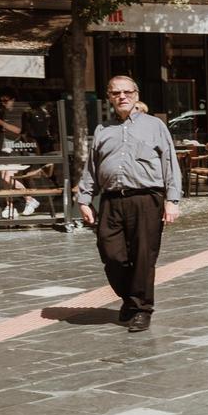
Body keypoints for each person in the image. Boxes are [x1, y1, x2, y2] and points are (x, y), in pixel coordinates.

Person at [77, 76, 183, 332]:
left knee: (143, 257)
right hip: (112, 200)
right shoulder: (103, 129)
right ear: (109, 97)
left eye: (126, 92)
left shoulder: (155, 126)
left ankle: (141, 308)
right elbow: (92, 166)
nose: (122, 97)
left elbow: (170, 163)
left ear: (136, 94)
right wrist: (84, 198)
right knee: (112, 255)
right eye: (116, 93)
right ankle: (129, 298)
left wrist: (172, 200)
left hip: (146, 199)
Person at [0, 91, 38, 218]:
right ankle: (9, 206)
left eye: (6, 100)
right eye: (2, 101)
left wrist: (0, 123)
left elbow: (18, 130)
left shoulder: (17, 112)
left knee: (8, 178)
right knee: (4, 178)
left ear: (13, 100)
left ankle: (29, 199)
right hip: (5, 148)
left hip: (15, 148)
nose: (4, 103)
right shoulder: (5, 112)